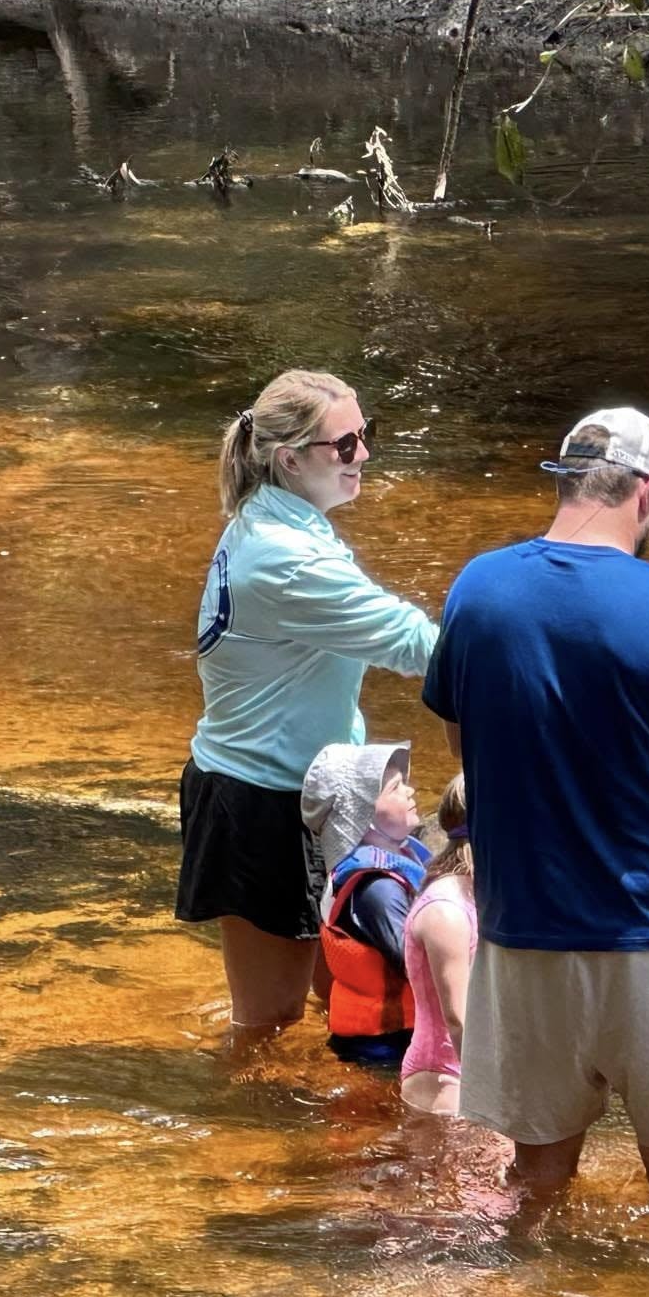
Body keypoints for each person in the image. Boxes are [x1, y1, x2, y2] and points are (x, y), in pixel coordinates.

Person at [424, 407, 649, 1205]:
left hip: (524, 934)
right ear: (647, 492)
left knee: (537, 1184)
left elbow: (460, 740)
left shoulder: (477, 589)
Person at [176, 370, 436, 1051]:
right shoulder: (288, 559)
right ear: (290, 459)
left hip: (316, 787)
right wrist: (531, 648)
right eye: (345, 445)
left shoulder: (275, 518)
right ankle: (239, 1146)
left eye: (366, 435)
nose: (364, 456)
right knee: (265, 1026)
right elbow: (414, 643)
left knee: (355, 996)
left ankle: (336, 1139)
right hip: (259, 800)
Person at [301, 741, 427, 1067]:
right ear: (364, 816)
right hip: (382, 1047)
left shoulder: (402, 857)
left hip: (387, 1038)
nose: (411, 791)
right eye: (397, 787)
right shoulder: (378, 889)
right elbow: (417, 964)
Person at [401, 773, 476, 1116]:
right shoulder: (446, 911)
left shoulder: (474, 893)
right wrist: (495, 1095)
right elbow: (457, 1017)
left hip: (469, 1073)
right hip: (446, 1082)